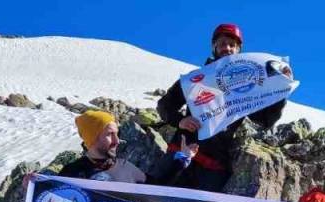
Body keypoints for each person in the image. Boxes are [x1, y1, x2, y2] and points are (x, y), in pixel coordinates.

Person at [155, 23, 287, 192]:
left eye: (232, 45)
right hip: (181, 151)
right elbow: (164, 106)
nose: (227, 48)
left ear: (239, 50)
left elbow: (264, 120)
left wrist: (280, 90)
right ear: (214, 47)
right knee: (154, 199)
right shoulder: (196, 79)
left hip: (213, 166)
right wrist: (180, 121)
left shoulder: (247, 87)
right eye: (223, 43)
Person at [59, 110, 196, 184]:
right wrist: (37, 184)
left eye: (117, 134)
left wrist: (182, 159)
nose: (117, 140)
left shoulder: (126, 167)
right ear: (92, 137)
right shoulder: (72, 173)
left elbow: (157, 189)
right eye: (110, 134)